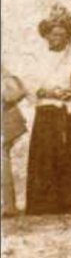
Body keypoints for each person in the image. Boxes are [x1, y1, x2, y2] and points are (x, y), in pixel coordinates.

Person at [25, 5, 71, 215]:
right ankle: (44, 203)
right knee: (45, 155)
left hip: (66, 109)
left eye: (62, 35)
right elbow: (31, 84)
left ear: (68, 36)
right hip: (46, 110)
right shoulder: (37, 58)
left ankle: (69, 201)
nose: (57, 38)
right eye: (53, 34)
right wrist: (50, 93)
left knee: (68, 154)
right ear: (47, 36)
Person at [1, 66, 25, 217]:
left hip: (6, 122)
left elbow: (12, 95)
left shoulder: (6, 75)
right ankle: (9, 205)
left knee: (3, 161)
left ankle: (9, 206)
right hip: (7, 121)